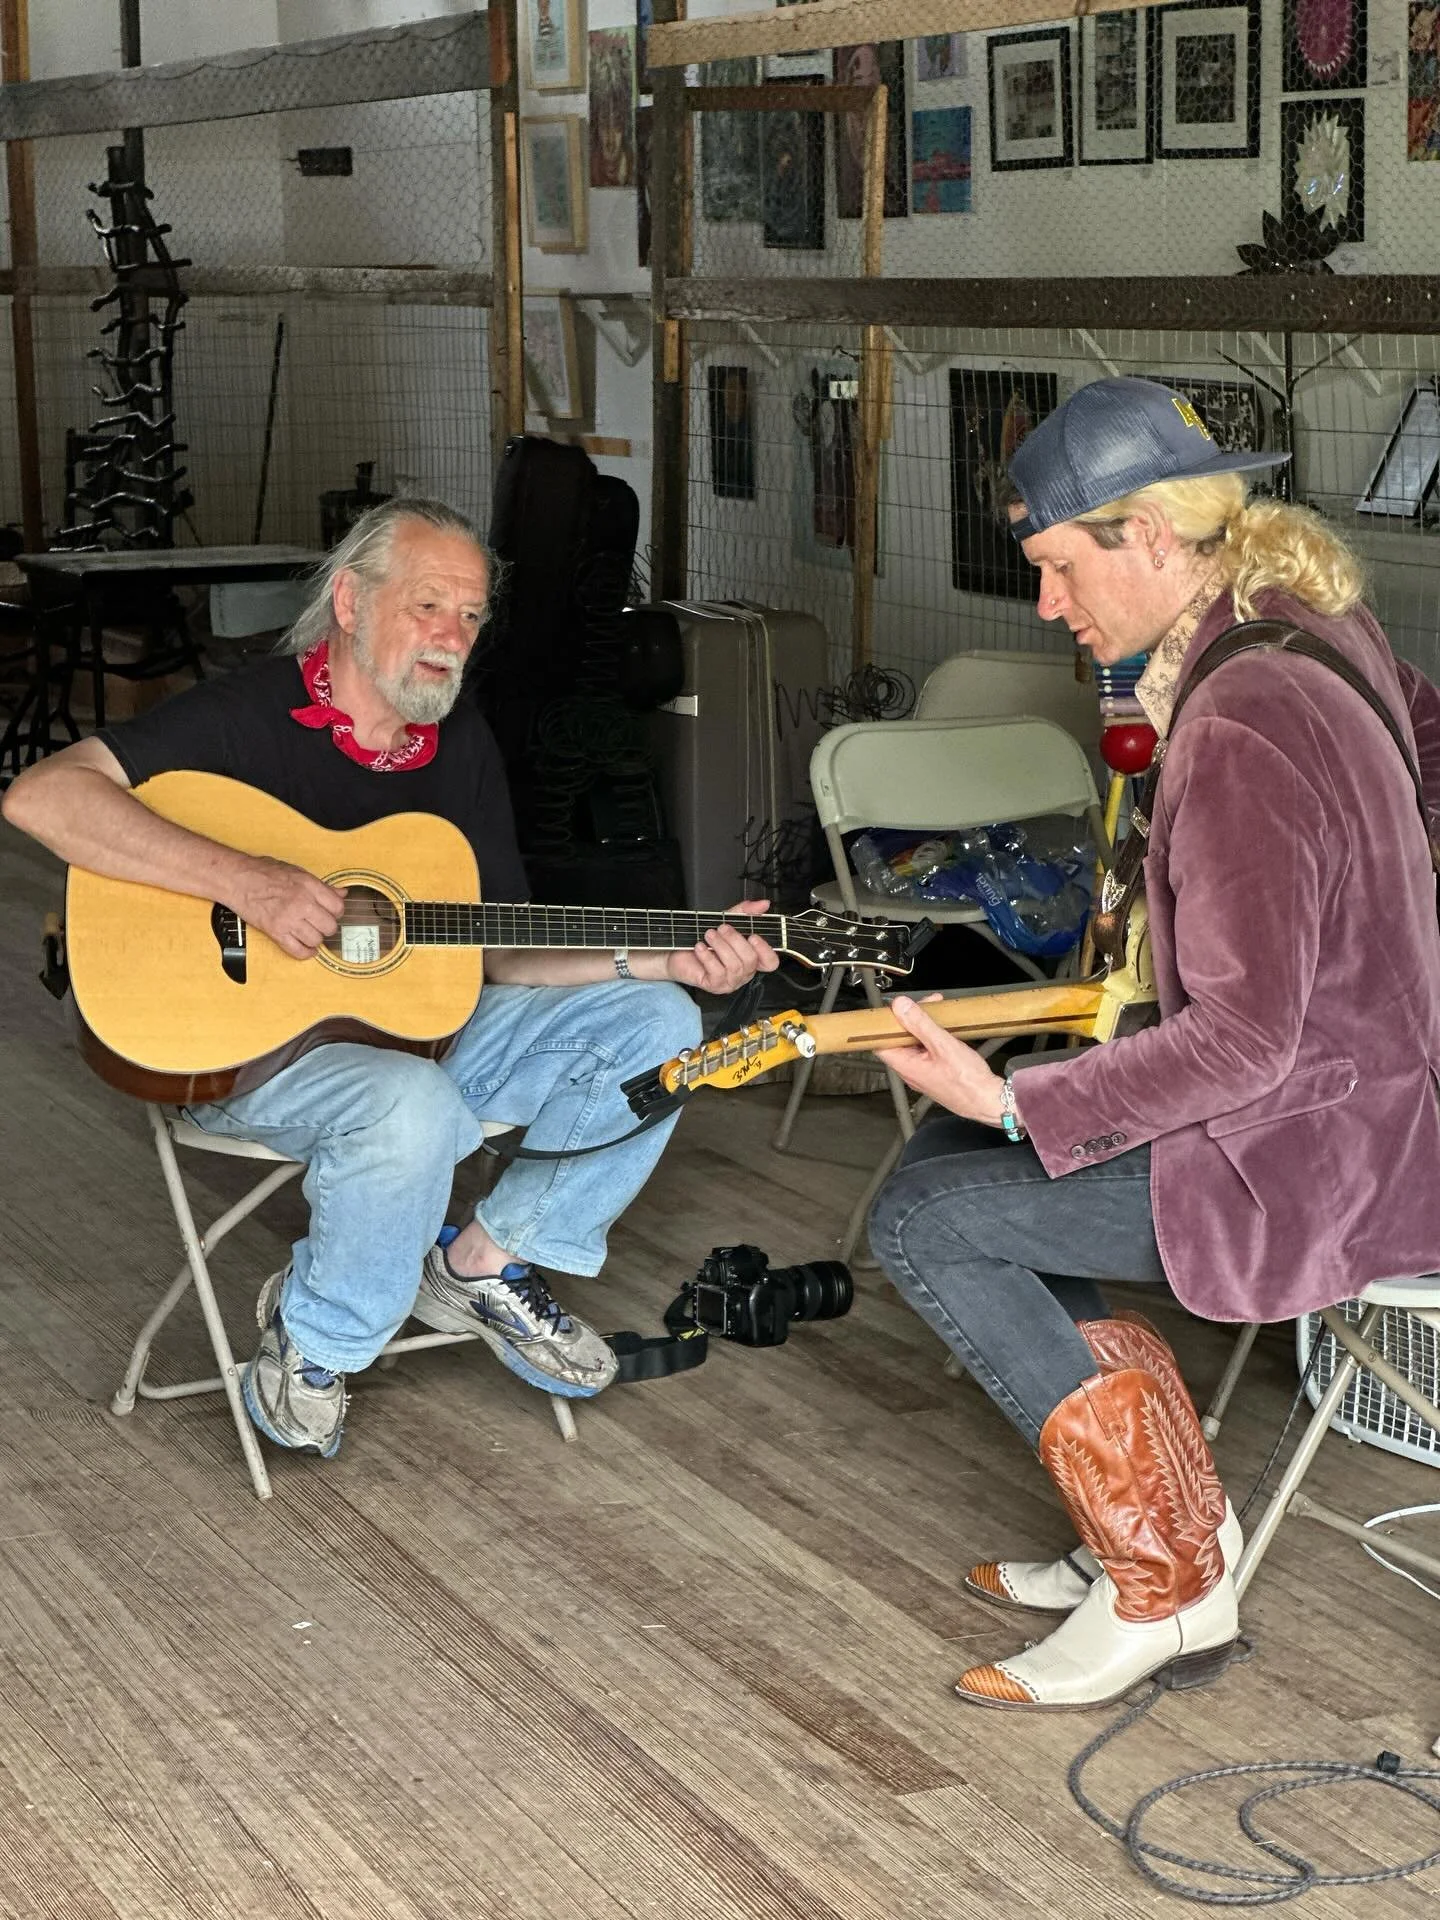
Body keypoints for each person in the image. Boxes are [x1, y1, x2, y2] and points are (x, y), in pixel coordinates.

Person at [867, 378, 1440, 1712]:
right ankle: (1182, 1521)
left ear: (1153, 537)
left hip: (1309, 1159)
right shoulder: (1305, 615)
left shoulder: (1239, 718)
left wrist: (1022, 1104)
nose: (1048, 608)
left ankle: (1164, 1585)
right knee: (939, 1170)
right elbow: (1429, 744)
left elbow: (1242, 1041)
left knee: (936, 1217)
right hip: (1369, 1111)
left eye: (1063, 569)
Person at [2, 498, 778, 1458]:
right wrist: (245, 879)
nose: (451, 639)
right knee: (406, 1103)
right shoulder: (247, 715)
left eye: (470, 617)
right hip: (242, 1054)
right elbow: (42, 796)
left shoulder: (459, 745)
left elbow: (503, 947)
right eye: (427, 607)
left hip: (418, 1031)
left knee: (660, 1022)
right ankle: (316, 1342)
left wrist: (667, 956)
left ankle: (482, 1263)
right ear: (349, 602)